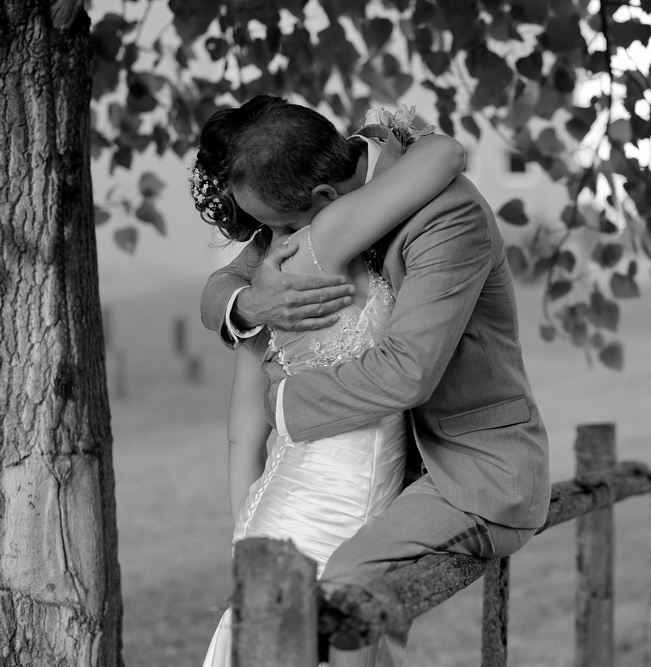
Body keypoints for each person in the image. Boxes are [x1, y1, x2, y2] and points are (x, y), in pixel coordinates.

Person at [201, 97, 551, 666]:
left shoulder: (447, 217)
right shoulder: (313, 204)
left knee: (347, 585)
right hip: (357, 475)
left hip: (472, 468)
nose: (275, 245)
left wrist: (281, 402)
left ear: (321, 202)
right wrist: (249, 303)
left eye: (282, 228)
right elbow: (227, 282)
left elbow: (407, 372)